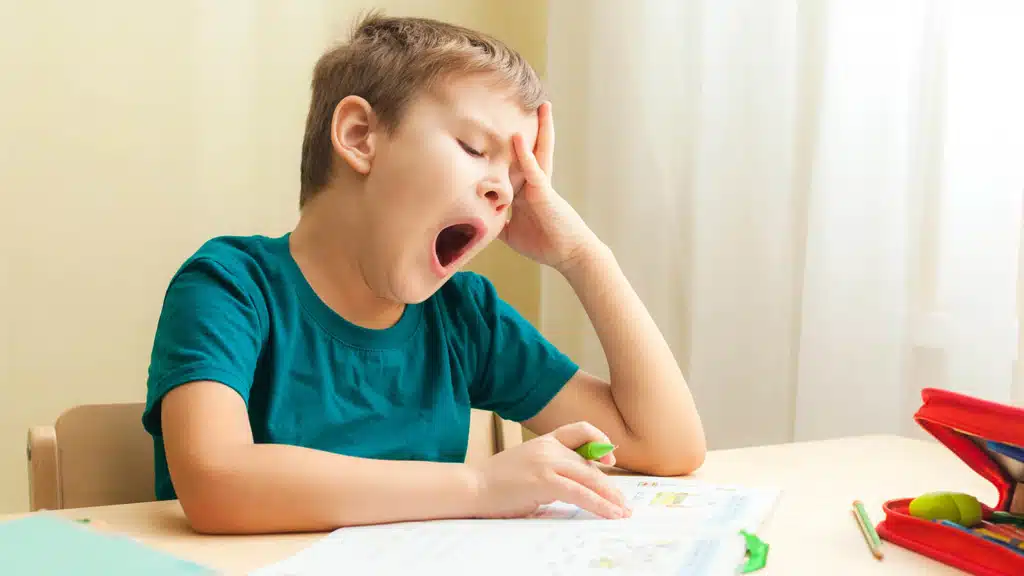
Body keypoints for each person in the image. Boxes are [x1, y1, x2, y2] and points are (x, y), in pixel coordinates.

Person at [142, 13, 706, 535]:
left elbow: (667, 446)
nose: (504, 190)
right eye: (473, 147)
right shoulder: (229, 287)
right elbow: (217, 483)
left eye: (519, 178)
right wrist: (480, 485)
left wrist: (583, 255)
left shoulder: (465, 316)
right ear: (361, 136)